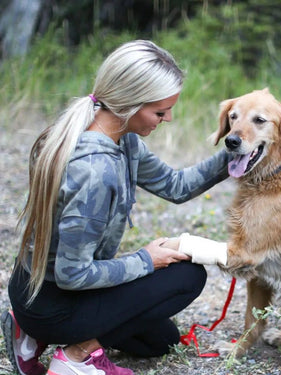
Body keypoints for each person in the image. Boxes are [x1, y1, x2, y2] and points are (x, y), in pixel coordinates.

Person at [1, 40, 232, 375]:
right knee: (187, 276)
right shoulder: (95, 170)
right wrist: (145, 260)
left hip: (38, 287)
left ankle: (30, 337)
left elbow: (177, 186)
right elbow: (72, 274)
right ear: (129, 104)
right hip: (51, 302)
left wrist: (237, 152)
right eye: (160, 112)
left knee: (160, 342)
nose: (168, 118)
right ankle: (77, 358)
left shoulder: (122, 138)